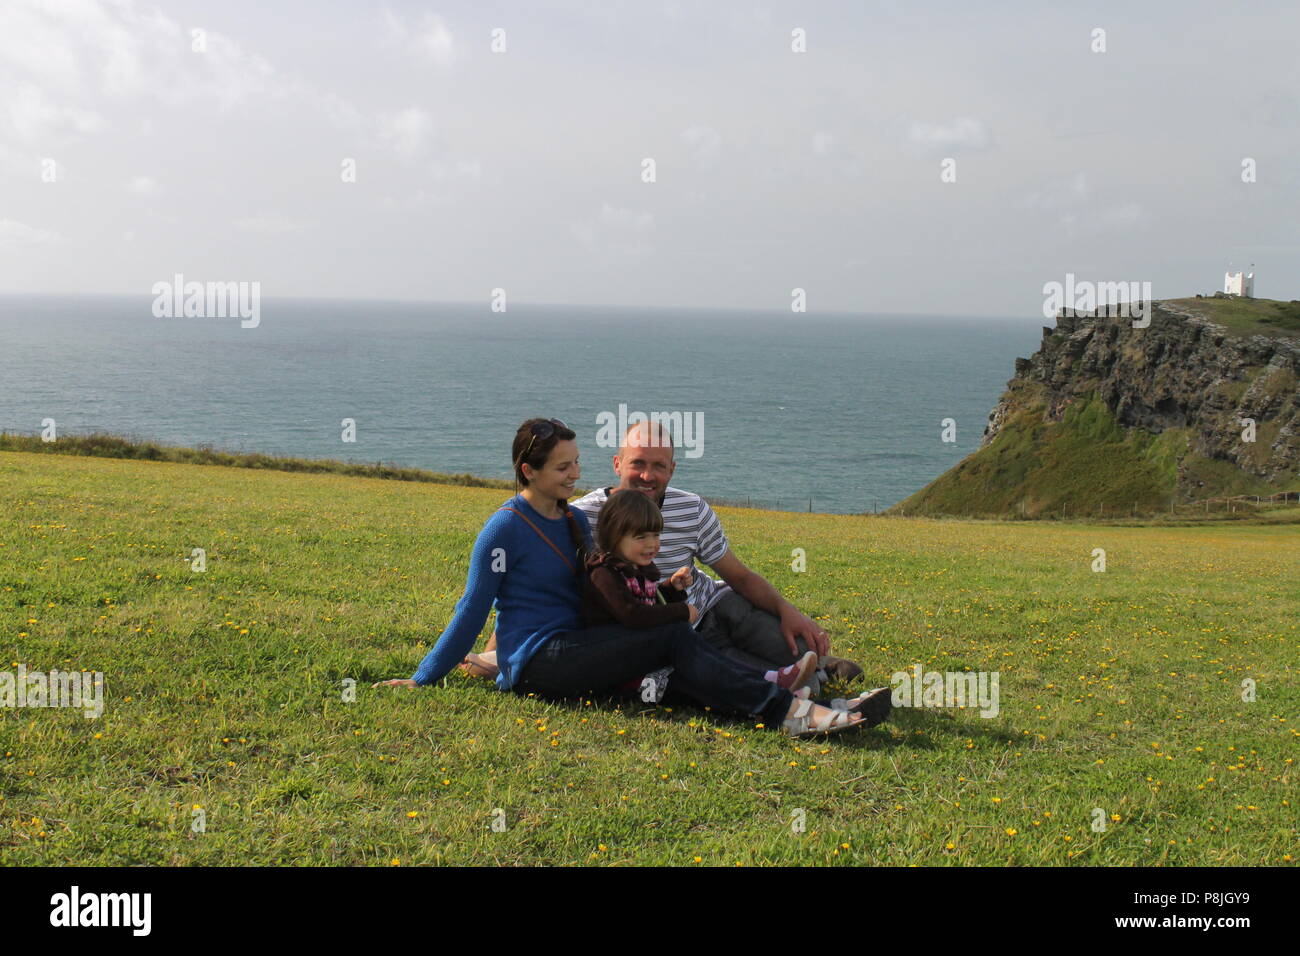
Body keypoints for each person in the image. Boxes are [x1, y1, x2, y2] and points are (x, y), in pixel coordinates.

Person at [375, 417, 875, 737]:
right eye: (563, 467)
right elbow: (475, 607)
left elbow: (604, 584)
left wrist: (662, 590)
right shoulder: (503, 528)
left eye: (576, 464)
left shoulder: (574, 521)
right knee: (672, 636)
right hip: (539, 661)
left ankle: (807, 701)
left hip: (581, 643)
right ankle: (791, 712)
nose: (575, 475)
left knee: (673, 671)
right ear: (528, 470)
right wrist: (428, 676)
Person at [581, 488, 820, 701]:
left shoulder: (636, 571)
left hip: (645, 653)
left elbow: (649, 603)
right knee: (703, 667)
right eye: (641, 537)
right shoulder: (604, 574)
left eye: (656, 535)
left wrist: (671, 589)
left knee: (708, 661)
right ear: (613, 536)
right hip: (626, 668)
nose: (652, 544)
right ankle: (770, 685)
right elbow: (632, 614)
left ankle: (774, 682)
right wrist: (681, 611)